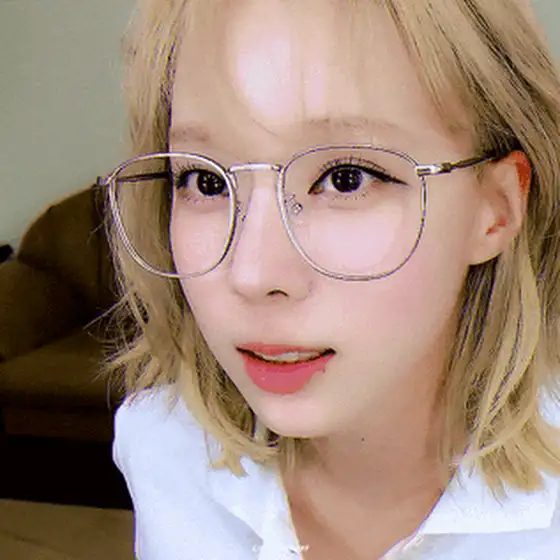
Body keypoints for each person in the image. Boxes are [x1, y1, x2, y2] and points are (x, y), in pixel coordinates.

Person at [99, 0, 560, 558]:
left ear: (496, 207)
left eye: (346, 178)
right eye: (205, 181)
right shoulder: (165, 451)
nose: (252, 274)